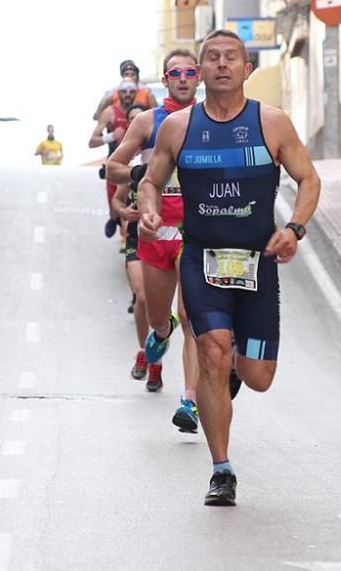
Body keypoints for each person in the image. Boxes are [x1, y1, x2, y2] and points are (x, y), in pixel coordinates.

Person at [137, 30, 321, 506]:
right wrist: (150, 209)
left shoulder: (272, 123)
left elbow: (308, 178)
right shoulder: (178, 127)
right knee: (212, 349)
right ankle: (222, 470)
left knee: (257, 377)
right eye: (211, 58)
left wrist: (295, 229)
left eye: (231, 58)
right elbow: (151, 181)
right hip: (201, 260)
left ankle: (234, 370)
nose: (221, 65)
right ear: (199, 72)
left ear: (247, 69)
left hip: (258, 264)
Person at [107, 49, 202, 425]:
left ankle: (190, 401)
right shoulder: (148, 121)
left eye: (190, 71)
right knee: (159, 314)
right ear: (164, 80)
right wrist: (140, 176)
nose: (183, 78)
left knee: (193, 317)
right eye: (175, 72)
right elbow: (113, 166)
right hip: (154, 228)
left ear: (199, 78)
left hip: (196, 230)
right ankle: (160, 334)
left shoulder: (212, 121)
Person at [110, 104, 151, 384]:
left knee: (181, 315)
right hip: (138, 238)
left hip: (171, 236)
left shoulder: (169, 158)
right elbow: (117, 200)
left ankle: (156, 357)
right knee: (143, 297)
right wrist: (124, 212)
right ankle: (144, 352)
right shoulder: (133, 168)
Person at [89, 81, 137, 238]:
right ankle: (113, 218)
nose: (128, 94)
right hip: (115, 163)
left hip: (137, 161)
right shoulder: (110, 112)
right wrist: (111, 136)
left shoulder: (143, 112)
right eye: (124, 91)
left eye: (131, 90)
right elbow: (92, 142)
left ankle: (127, 237)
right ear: (118, 93)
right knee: (116, 201)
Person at [93, 59, 158, 121]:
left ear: (138, 76)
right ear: (122, 76)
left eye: (133, 74)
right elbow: (96, 116)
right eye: (126, 74)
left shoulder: (147, 92)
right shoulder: (112, 93)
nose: (130, 77)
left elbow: (156, 116)